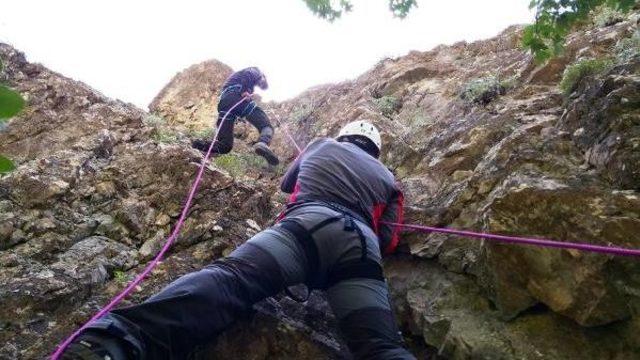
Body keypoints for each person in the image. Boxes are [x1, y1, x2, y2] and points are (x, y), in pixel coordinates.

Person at [62, 120, 414, 360]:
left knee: (232, 280)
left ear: (345, 136)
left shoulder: (321, 145)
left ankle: (115, 341)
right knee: (381, 347)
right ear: (376, 150)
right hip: (359, 248)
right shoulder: (388, 178)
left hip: (305, 226)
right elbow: (389, 239)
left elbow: (287, 184)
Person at [192, 67, 279, 166]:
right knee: (266, 126)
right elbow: (249, 74)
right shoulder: (255, 71)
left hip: (224, 104)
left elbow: (261, 85)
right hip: (236, 97)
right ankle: (263, 143)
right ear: (262, 75)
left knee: (225, 146)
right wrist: (245, 90)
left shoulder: (238, 79)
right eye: (260, 83)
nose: (259, 85)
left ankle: (196, 145)